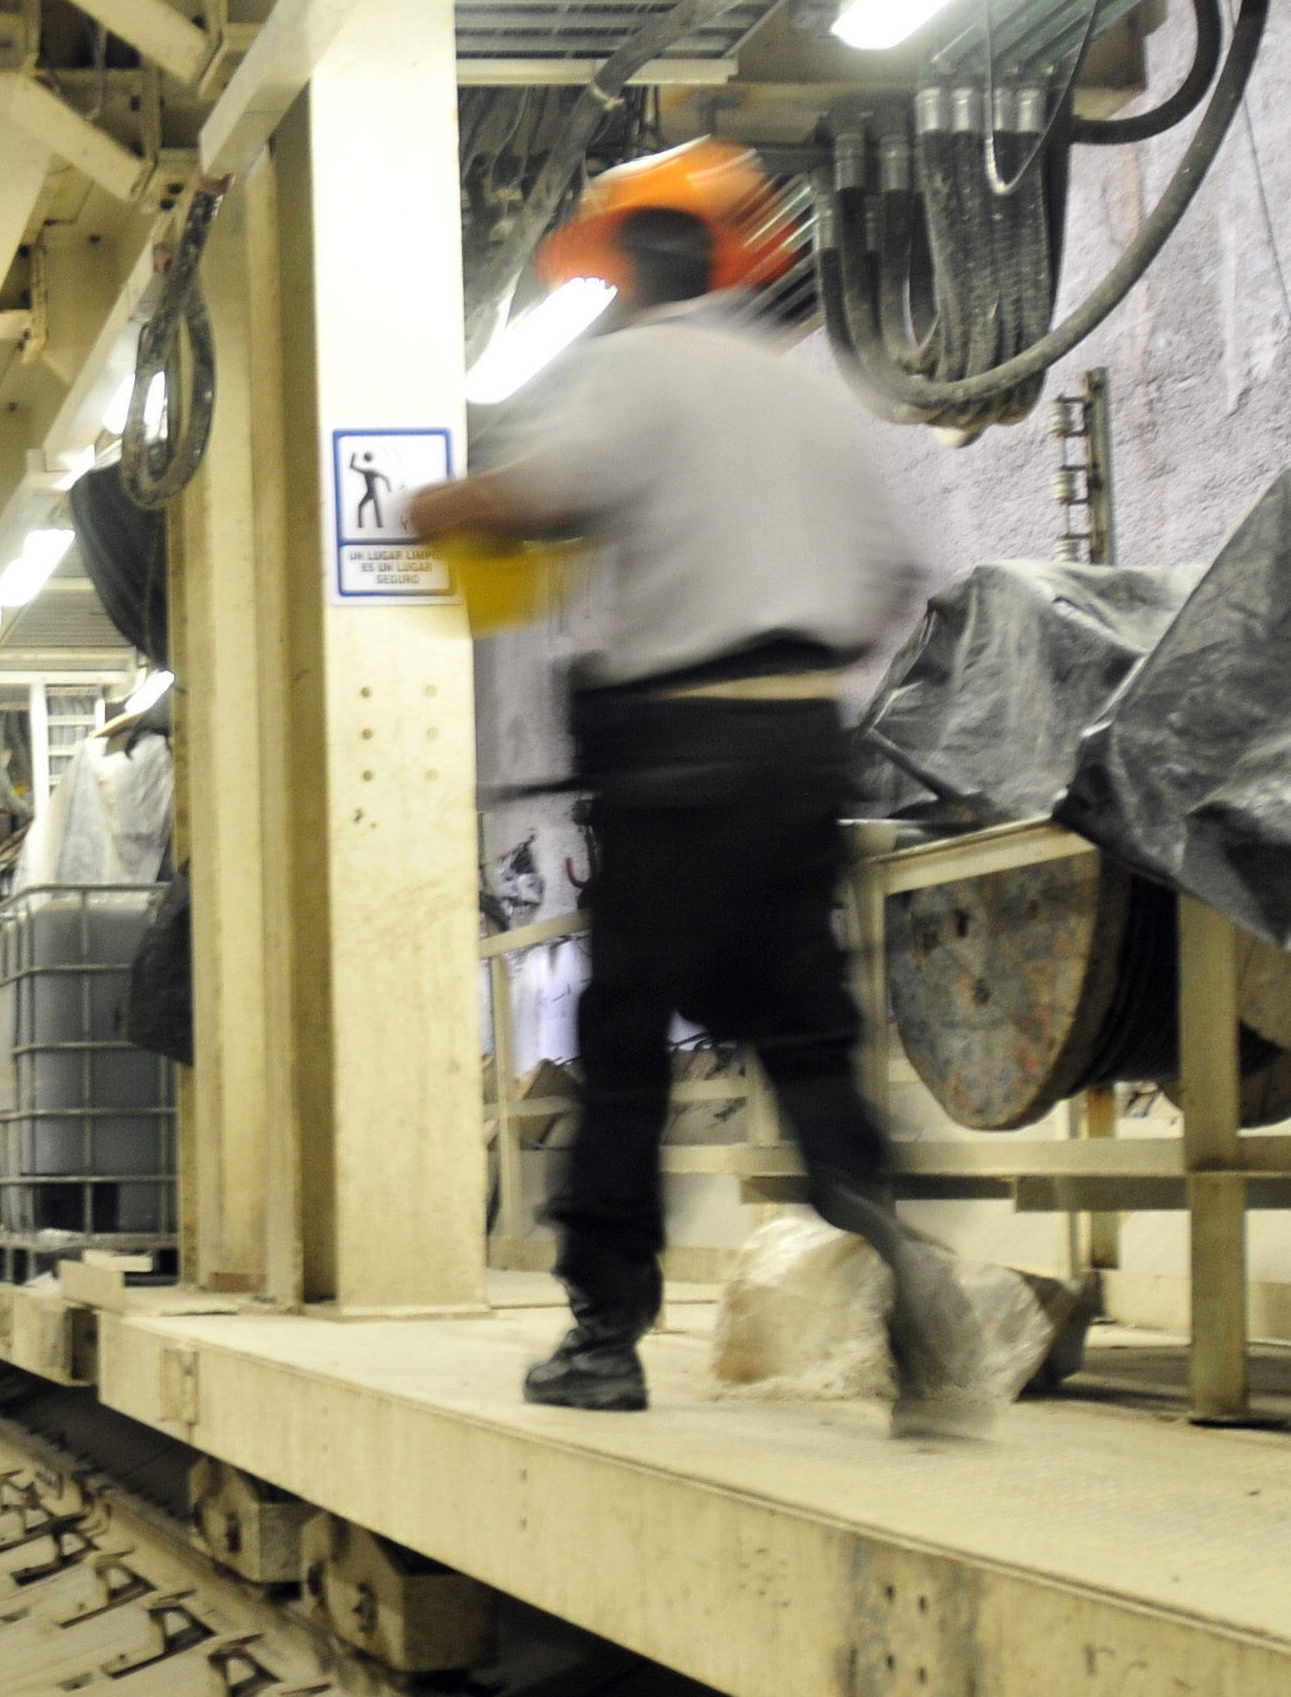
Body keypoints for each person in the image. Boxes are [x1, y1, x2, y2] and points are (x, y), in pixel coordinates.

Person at [408, 138, 976, 1418]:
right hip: (796, 752)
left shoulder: (630, 371)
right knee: (808, 1037)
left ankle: (603, 1338)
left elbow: (539, 498)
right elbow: (892, 581)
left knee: (625, 1048)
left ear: (617, 265)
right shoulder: (804, 395)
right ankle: (896, 1264)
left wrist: (447, 507)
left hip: (672, 758)